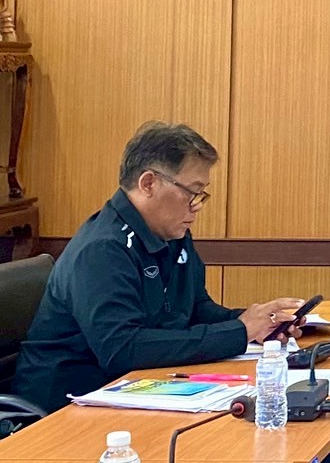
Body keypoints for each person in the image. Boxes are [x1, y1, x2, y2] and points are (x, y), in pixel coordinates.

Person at [14, 122, 306, 413]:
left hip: (133, 389)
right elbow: (121, 349)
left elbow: (194, 309)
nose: (197, 206)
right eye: (192, 192)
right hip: (63, 405)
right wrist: (238, 332)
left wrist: (258, 322)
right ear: (149, 183)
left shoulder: (171, 234)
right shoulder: (102, 248)